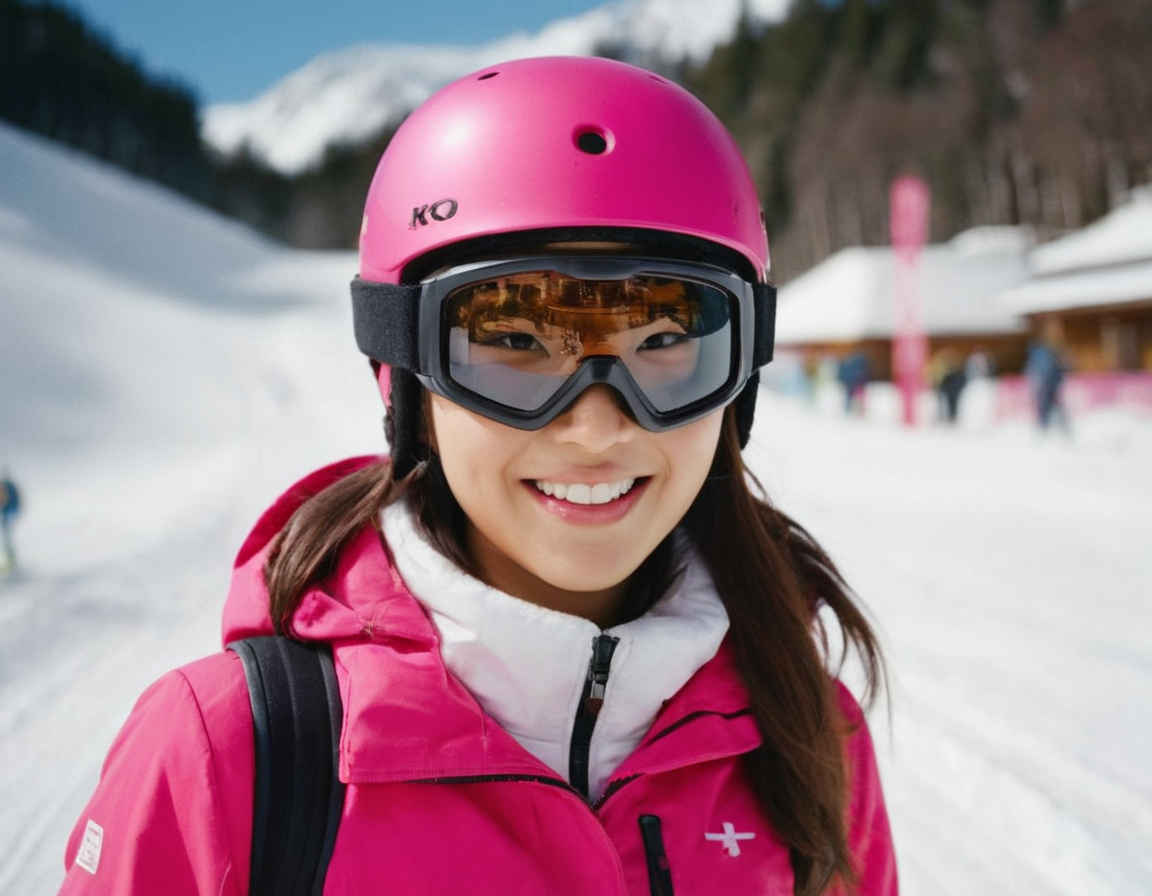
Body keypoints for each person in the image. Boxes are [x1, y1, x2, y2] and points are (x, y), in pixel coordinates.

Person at [59, 57, 897, 895]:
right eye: (517, 343)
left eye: (664, 341)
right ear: (407, 376)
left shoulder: (812, 741)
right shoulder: (229, 758)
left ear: (739, 375)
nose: (596, 427)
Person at [0, 468, 19, 575]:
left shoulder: (8, 488)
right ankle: (9, 560)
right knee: (6, 536)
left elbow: (10, 502)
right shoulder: (8, 487)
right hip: (7, 512)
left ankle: (10, 560)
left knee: (7, 536)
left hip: (9, 512)